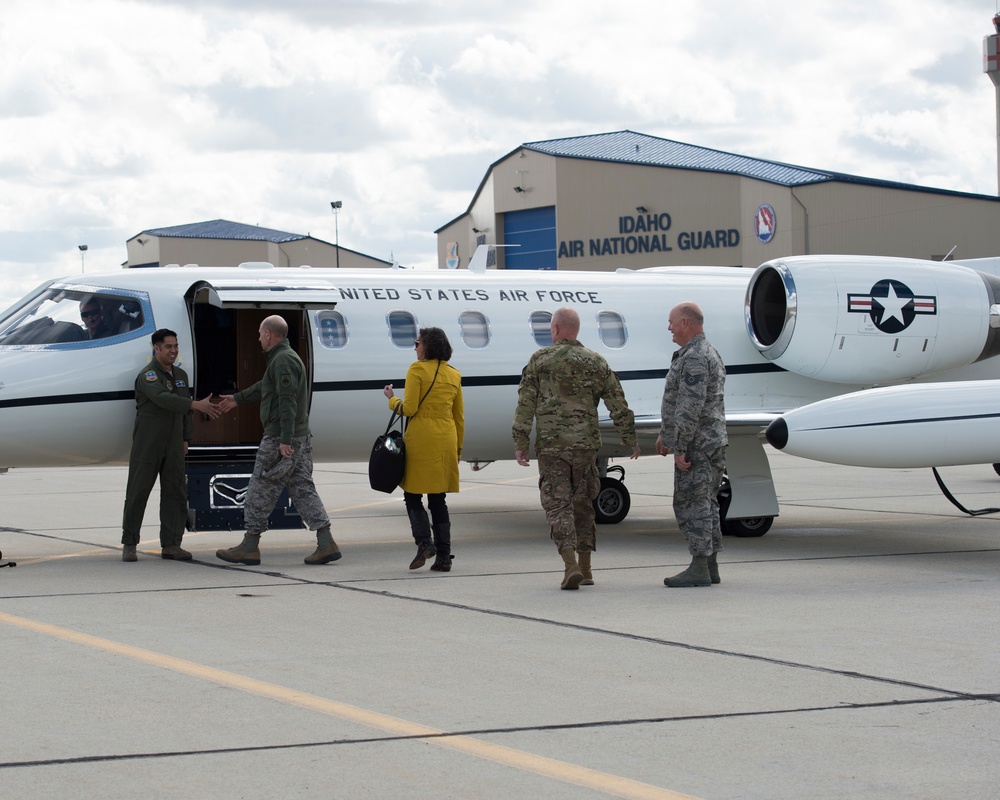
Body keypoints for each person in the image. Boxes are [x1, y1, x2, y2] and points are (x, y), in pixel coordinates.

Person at [512, 307, 640, 590]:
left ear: (555, 330)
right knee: (584, 505)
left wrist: (521, 442)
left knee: (558, 505)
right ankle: (586, 567)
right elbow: (617, 401)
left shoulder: (540, 361)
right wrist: (629, 437)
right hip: (585, 447)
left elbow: (525, 404)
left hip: (552, 448)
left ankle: (570, 566)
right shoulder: (596, 362)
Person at [215, 315, 340, 566]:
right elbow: (266, 386)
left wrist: (284, 440)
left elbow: (287, 402)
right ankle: (326, 542)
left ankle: (250, 546)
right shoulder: (283, 359)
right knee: (302, 488)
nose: (259, 338)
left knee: (260, 489)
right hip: (299, 436)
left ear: (270, 335)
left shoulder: (282, 361)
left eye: (261, 334)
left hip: (281, 437)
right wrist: (238, 398)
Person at [122, 328, 222, 562]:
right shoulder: (148, 376)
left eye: (175, 346)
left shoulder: (180, 375)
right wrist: (195, 405)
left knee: (175, 493)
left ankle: (171, 544)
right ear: (156, 348)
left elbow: (184, 413)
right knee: (138, 492)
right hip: (148, 444)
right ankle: (129, 543)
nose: (173, 351)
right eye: (168, 346)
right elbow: (164, 400)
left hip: (175, 444)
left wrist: (186, 438)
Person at [656, 301, 727, 587]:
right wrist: (667, 435)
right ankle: (710, 565)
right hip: (710, 440)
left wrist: (681, 446)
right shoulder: (706, 352)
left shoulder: (695, 357)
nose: (669, 328)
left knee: (692, 504)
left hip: (698, 444)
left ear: (686, 322)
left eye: (672, 322)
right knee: (707, 503)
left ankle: (699, 567)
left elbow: (690, 406)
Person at [383, 327, 464, 572]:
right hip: (446, 438)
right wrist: (458, 448)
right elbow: (459, 417)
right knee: (438, 498)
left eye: (417, 342)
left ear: (427, 346)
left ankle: (424, 543)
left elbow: (409, 409)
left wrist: (391, 398)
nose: (415, 347)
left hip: (422, 438)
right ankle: (444, 556)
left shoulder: (416, 369)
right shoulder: (454, 374)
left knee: (412, 494)